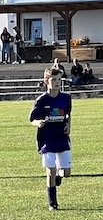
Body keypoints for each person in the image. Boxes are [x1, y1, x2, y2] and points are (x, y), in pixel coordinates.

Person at [29, 67, 72, 211]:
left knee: (66, 173)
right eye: (53, 80)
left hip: (62, 137)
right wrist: (38, 123)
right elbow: (32, 119)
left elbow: (68, 114)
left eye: (59, 79)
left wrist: (69, 126)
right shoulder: (41, 100)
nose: (57, 82)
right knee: (50, 171)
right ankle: (52, 203)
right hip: (47, 139)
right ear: (46, 81)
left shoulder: (66, 98)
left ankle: (59, 176)